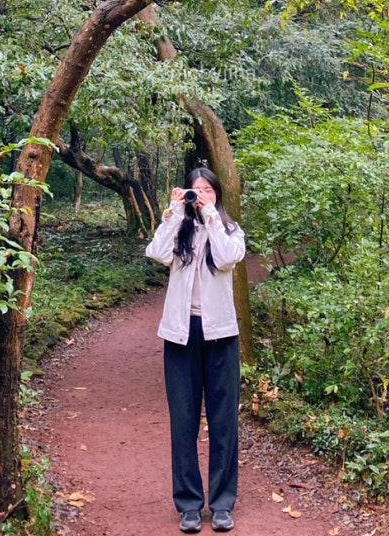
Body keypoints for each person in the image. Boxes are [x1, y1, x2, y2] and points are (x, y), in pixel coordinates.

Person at [146, 167, 246, 534]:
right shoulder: (179, 231)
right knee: (183, 421)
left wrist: (210, 216)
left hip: (221, 336)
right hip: (180, 336)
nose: (200, 195)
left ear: (217, 194)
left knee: (223, 423)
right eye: (195, 190)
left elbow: (225, 259)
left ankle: (222, 504)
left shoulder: (231, 232)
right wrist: (173, 214)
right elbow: (155, 252)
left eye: (207, 190)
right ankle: (189, 505)